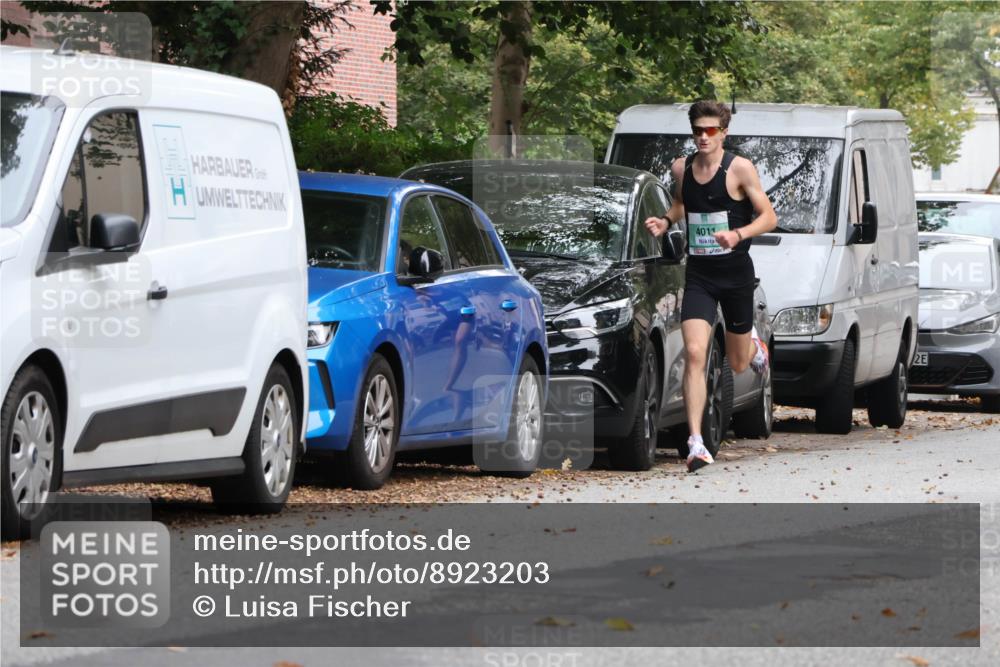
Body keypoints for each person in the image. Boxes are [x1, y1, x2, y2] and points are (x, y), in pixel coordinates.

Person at [645, 100, 777, 472]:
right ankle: (696, 442)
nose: (704, 137)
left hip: (736, 276)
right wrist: (665, 221)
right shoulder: (680, 168)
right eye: (698, 131)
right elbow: (681, 204)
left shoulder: (739, 169)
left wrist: (738, 234)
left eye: (711, 131)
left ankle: (754, 345)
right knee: (696, 352)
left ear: (723, 133)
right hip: (700, 276)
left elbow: (769, 217)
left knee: (736, 362)